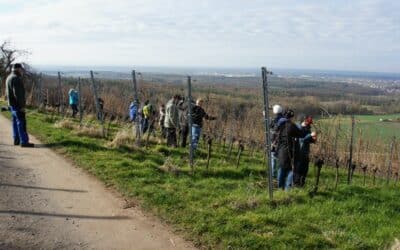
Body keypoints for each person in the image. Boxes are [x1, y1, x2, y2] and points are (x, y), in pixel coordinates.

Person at [276, 109, 306, 190]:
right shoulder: (291, 125)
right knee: (291, 170)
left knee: (281, 168)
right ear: (291, 117)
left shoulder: (279, 124)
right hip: (289, 151)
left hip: (281, 150)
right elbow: (301, 134)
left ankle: (279, 188)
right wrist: (303, 127)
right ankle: (287, 189)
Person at [5, 63, 34, 147]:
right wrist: (22, 106)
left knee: (15, 122)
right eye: (21, 69)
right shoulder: (16, 79)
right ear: (18, 69)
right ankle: (24, 141)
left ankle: (16, 139)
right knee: (21, 122)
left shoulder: (9, 77)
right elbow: (18, 94)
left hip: (12, 104)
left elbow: (7, 92)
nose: (22, 71)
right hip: (17, 105)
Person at [293, 116, 317, 187]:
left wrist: (313, 139)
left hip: (306, 152)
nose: (309, 125)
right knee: (298, 168)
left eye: (310, 123)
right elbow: (301, 139)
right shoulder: (299, 128)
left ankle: (302, 183)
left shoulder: (308, 128)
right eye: (308, 123)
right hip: (299, 151)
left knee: (305, 169)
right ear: (305, 121)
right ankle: (296, 183)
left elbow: (308, 140)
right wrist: (310, 135)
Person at [270, 104, 284, 178]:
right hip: (282, 141)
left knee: (273, 158)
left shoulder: (274, 120)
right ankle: (279, 175)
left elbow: (270, 127)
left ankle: (273, 175)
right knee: (280, 158)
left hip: (274, 141)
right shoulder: (284, 119)